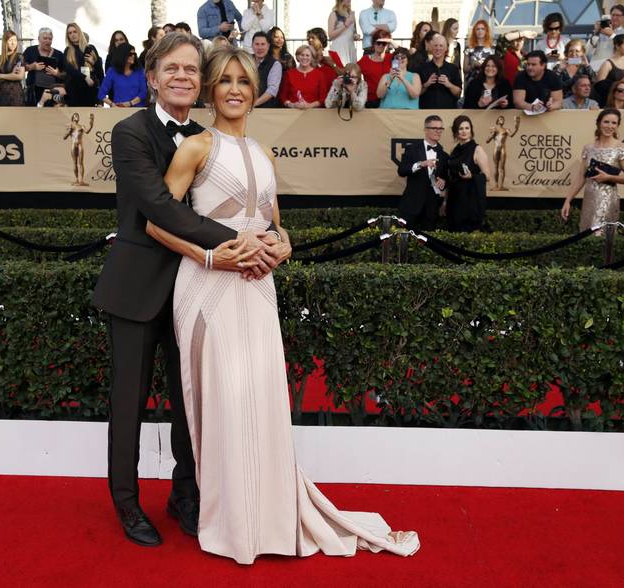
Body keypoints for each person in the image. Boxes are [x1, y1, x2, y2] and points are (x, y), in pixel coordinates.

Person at [145, 44, 418, 566]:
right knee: (224, 401)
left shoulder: (265, 153)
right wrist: (211, 254)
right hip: (208, 286)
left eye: (243, 81)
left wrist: (284, 244)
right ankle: (230, 521)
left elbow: (272, 222)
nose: (233, 89)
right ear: (210, 90)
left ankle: (268, 516)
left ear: (254, 91)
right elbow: (156, 222)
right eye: (224, 80)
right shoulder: (195, 148)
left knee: (263, 398)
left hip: (258, 285)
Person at [90, 32, 286, 548]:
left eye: (191, 70)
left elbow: (256, 206)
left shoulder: (208, 139)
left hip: (194, 291)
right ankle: (127, 504)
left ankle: (185, 496)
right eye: (171, 69)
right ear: (152, 77)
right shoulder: (130, 132)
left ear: (200, 82)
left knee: (191, 402)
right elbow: (160, 208)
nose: (182, 76)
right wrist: (244, 243)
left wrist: (269, 240)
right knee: (128, 406)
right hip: (138, 290)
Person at [561, 108, 624, 232]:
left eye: (614, 123)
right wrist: (568, 200)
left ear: (618, 126)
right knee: (585, 234)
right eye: (606, 122)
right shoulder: (588, 148)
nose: (610, 126)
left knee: (603, 237)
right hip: (589, 199)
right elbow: (581, 177)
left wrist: (609, 177)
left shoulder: (622, 148)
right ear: (599, 123)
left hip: (608, 200)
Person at [397, 114, 448, 231]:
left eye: (440, 128)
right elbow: (401, 171)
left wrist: (443, 182)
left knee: (428, 242)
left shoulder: (444, 155)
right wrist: (421, 164)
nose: (438, 131)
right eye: (434, 128)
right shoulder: (412, 149)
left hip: (432, 207)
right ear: (426, 129)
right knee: (403, 239)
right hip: (411, 203)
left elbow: (446, 178)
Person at [445, 115, 491, 232]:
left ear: (471, 130)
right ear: (456, 132)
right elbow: (450, 177)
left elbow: (487, 176)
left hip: (470, 200)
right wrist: (445, 201)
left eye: (467, 128)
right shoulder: (454, 151)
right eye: (461, 128)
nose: (464, 131)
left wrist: (472, 176)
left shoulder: (477, 149)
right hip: (454, 199)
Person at [416, 33, 462, 109]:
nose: (438, 48)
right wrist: (426, 84)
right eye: (435, 45)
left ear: (446, 48)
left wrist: (449, 84)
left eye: (441, 46)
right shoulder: (422, 68)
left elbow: (458, 94)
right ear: (431, 48)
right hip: (426, 112)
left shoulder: (453, 69)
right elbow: (416, 93)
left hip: (448, 112)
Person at [63, 23, 103, 107]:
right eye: (69, 33)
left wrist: (93, 62)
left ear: (79, 32)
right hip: (74, 90)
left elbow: (99, 70)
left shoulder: (90, 48)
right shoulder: (68, 50)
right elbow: (70, 69)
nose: (72, 35)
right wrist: (85, 77)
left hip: (90, 89)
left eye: (74, 31)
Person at [23, 27, 65, 106]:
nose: (48, 41)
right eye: (45, 38)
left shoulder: (59, 54)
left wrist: (56, 73)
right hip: (33, 93)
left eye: (50, 39)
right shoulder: (30, 50)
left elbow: (66, 74)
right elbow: (22, 68)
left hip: (52, 93)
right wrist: (32, 67)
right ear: (39, 39)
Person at [98, 43, 147, 107]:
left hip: (137, 110)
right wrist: (112, 104)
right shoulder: (112, 71)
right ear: (122, 55)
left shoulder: (139, 71)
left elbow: (143, 92)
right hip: (119, 110)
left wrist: (130, 103)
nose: (133, 56)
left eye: (134, 54)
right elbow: (101, 94)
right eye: (130, 54)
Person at [280, 44, 327, 109]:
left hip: (313, 112)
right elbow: (283, 97)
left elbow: (323, 98)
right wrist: (292, 105)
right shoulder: (289, 74)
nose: (304, 57)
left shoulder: (320, 75)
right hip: (293, 112)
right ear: (297, 57)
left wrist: (309, 105)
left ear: (312, 58)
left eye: (307, 55)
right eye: (302, 55)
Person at [594, 34, 624, 103]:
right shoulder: (607, 64)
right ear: (617, 46)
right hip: (610, 102)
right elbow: (599, 86)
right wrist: (619, 83)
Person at [587, 4, 624, 70]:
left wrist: (611, 35)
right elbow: (587, 50)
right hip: (595, 68)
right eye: (613, 15)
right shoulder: (600, 31)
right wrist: (596, 32)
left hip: (613, 70)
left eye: (618, 15)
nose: (614, 17)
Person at [357, 30, 392, 108]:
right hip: (371, 101)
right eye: (378, 43)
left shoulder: (392, 58)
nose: (380, 46)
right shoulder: (365, 60)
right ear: (373, 43)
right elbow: (352, 70)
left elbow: (405, 55)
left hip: (389, 99)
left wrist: (391, 41)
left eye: (383, 43)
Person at [485, 114, 519, 191]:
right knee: (496, 167)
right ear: (497, 121)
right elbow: (487, 141)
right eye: (500, 119)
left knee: (502, 168)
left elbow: (512, 135)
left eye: (503, 119)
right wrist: (492, 135)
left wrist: (516, 128)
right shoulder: (494, 129)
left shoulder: (506, 130)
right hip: (496, 149)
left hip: (503, 149)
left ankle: (501, 186)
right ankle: (496, 185)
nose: (502, 120)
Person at [0, 31, 26, 107]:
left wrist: (0, 76)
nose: (13, 43)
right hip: (1, 93)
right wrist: (11, 75)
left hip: (16, 94)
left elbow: (20, 76)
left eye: (15, 40)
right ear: (5, 42)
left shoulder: (19, 57)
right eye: (10, 40)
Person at [250, 32, 281, 107]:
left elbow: (272, 90)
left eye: (263, 44)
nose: (260, 47)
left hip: (265, 109)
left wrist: (253, 104)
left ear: (268, 46)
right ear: (252, 46)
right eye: (257, 44)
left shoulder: (275, 64)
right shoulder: (246, 60)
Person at [64, 112, 95, 185]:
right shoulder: (70, 126)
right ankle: (76, 180)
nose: (77, 117)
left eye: (78, 115)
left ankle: (82, 180)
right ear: (73, 117)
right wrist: (69, 131)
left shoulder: (81, 126)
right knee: (75, 162)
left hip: (80, 145)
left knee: (81, 163)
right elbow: (64, 137)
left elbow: (87, 131)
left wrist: (91, 122)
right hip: (73, 145)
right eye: (75, 116)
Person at [328, 0, 360, 66]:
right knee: (340, 70)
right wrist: (345, 25)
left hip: (350, 48)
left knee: (352, 72)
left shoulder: (351, 14)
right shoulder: (334, 14)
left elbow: (353, 31)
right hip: (339, 48)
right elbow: (330, 35)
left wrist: (356, 36)